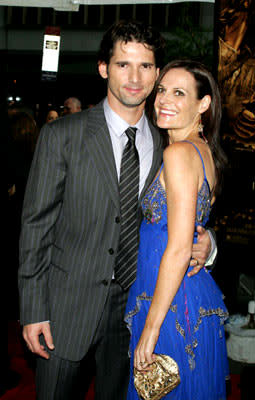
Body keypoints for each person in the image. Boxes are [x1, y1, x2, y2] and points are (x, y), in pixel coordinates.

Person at [19, 21, 216, 400]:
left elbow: (188, 212)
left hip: (135, 309)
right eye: (123, 64)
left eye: (145, 66)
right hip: (66, 307)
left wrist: (209, 243)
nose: (134, 77)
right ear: (103, 68)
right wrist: (32, 309)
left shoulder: (168, 141)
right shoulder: (63, 135)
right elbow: (34, 227)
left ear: (157, 72)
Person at [125, 60, 229, 399]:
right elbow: (195, 229)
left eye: (179, 93)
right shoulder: (204, 152)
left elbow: (180, 247)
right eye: (162, 90)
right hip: (184, 295)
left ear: (204, 104)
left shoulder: (179, 152)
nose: (164, 100)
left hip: (171, 305)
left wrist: (151, 330)